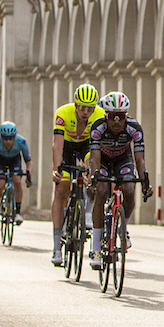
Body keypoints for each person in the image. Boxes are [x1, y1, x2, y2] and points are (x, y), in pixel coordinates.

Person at [84, 93, 146, 263]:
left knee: (129, 189)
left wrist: (144, 181)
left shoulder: (134, 127)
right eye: (112, 116)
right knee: (101, 191)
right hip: (103, 161)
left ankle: (122, 227)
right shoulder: (98, 127)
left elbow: (140, 158)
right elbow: (94, 157)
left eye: (121, 116)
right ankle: (96, 249)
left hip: (122, 159)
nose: (117, 121)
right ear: (106, 116)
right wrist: (94, 177)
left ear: (126, 116)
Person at [50, 84, 102, 267]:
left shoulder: (100, 115)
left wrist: (91, 171)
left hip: (86, 146)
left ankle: (86, 213)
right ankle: (57, 245)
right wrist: (57, 169)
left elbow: (97, 148)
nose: (86, 112)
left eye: (90, 108)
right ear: (75, 105)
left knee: (93, 174)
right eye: (82, 108)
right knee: (62, 188)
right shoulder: (63, 113)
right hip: (67, 147)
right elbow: (57, 146)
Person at [0, 121, 31, 222]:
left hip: (15, 160)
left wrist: (29, 176)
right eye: (5, 138)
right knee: (0, 185)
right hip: (0, 160)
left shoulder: (21, 141)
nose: (8, 141)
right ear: (1, 136)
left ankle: (18, 212)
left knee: (17, 181)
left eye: (11, 138)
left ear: (15, 136)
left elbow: (28, 162)